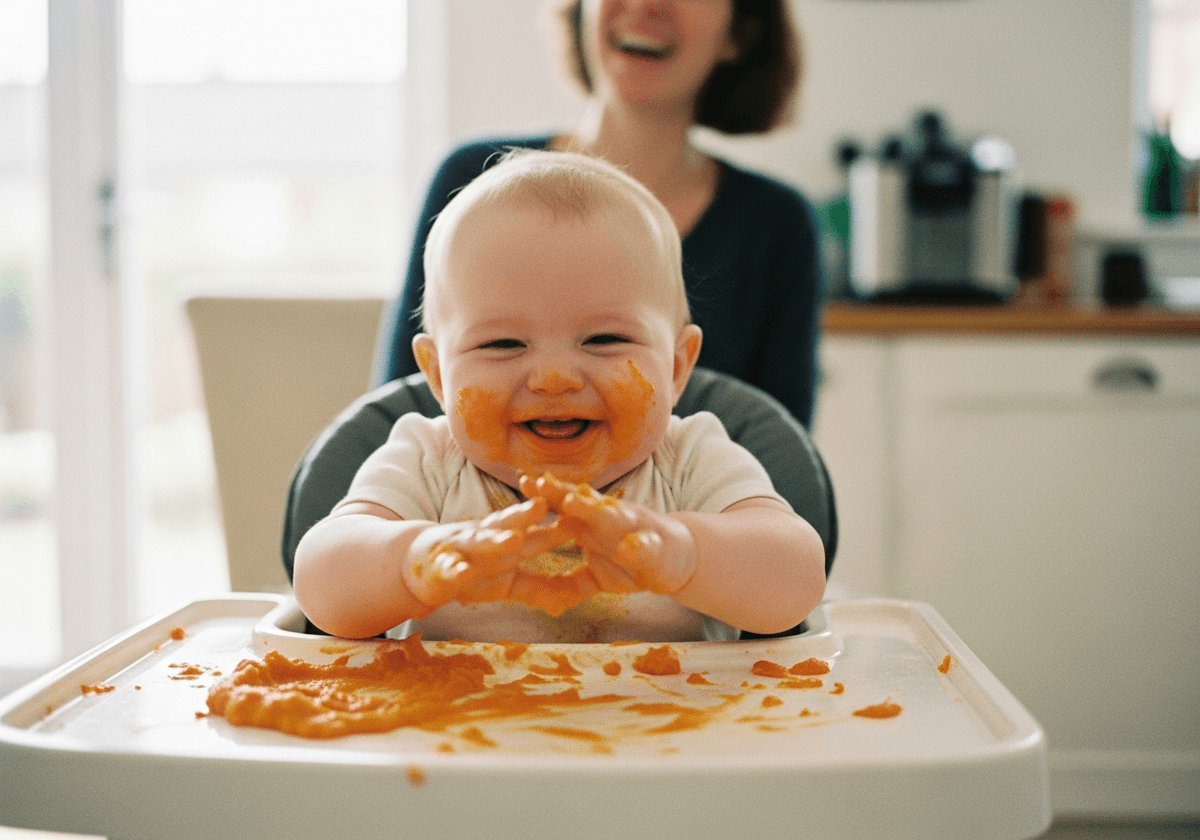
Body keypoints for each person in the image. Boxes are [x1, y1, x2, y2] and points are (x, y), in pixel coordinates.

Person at [295, 150, 826, 644]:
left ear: (676, 365)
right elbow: (320, 581)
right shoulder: (427, 464)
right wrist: (416, 560)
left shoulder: (689, 461)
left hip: (666, 733)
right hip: (452, 732)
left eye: (604, 340)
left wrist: (686, 555)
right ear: (438, 375)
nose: (554, 379)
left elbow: (796, 577)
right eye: (503, 343)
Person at [375, 0, 823, 427]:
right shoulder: (471, 180)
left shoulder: (778, 225)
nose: (647, 4)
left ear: (740, 34)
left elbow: (779, 454)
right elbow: (397, 414)